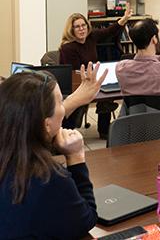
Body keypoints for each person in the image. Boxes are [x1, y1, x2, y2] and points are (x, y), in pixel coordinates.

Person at [0, 70, 97, 238]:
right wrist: (76, 157)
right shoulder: (47, 177)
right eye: (60, 102)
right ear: (45, 124)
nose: (64, 107)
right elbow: (85, 220)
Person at [59, 4, 132, 138]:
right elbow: (74, 72)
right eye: (77, 26)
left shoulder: (91, 37)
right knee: (98, 93)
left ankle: (104, 131)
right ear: (71, 30)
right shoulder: (68, 48)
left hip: (93, 79)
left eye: (84, 25)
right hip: (77, 84)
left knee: (107, 94)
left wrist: (124, 18)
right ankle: (67, 130)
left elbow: (109, 31)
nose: (82, 29)